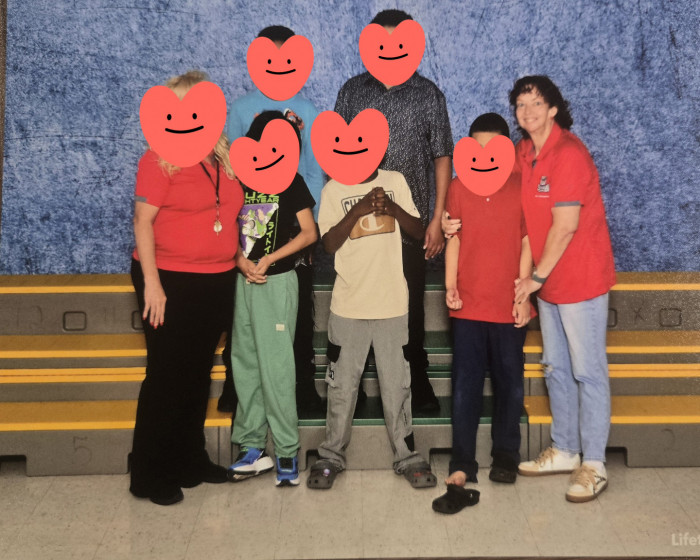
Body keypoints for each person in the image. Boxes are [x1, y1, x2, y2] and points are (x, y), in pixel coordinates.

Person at [130, 70, 244, 506]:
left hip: (217, 279)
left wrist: (238, 258)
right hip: (169, 279)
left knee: (198, 374)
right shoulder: (158, 159)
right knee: (167, 375)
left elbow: (225, 218)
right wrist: (153, 286)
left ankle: (189, 460)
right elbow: (142, 222)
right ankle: (149, 474)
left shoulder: (223, 158)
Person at [334, 9, 453, 413]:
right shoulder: (352, 91)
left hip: (409, 224)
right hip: (360, 221)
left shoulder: (428, 94)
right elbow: (336, 152)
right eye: (380, 43)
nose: (389, 50)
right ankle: (354, 383)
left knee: (408, 304)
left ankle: (416, 379)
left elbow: (442, 156)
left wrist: (436, 218)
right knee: (359, 303)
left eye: (397, 43)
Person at [510, 76, 616, 503]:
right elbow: (497, 192)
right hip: (548, 282)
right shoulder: (523, 152)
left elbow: (566, 225)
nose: (528, 111)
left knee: (587, 370)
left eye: (537, 103)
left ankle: (595, 464)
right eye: (521, 104)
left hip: (581, 279)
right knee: (555, 367)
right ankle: (566, 450)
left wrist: (534, 278)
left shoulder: (569, 153)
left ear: (554, 108)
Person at [306, 166, 437, 490]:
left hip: (392, 304)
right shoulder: (333, 189)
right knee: (341, 386)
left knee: (397, 386)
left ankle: (407, 455)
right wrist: (358, 210)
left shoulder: (395, 181)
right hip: (348, 307)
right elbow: (329, 244)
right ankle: (331, 455)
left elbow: (417, 230)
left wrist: (392, 208)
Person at [219, 25, 325, 415]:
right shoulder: (241, 109)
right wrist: (232, 229)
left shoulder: (308, 111)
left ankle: (303, 386)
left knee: (298, 311)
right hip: (249, 220)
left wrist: (310, 227)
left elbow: (313, 170)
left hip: (294, 222)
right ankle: (235, 385)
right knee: (242, 310)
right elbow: (230, 168)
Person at [431, 113, 533, 515]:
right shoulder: (458, 188)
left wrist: (522, 294)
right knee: (465, 387)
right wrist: (450, 286)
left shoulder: (521, 186)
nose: (485, 157)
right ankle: (462, 464)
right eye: (478, 148)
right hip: (469, 306)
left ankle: (506, 456)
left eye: (493, 149)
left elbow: (527, 241)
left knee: (510, 384)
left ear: (508, 152)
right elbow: (453, 239)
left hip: (509, 304)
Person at [226, 111, 318, 487]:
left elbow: (309, 233)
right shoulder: (236, 179)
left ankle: (285, 449)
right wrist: (240, 261)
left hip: (277, 282)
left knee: (277, 368)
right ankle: (251, 446)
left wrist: (270, 259)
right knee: (245, 362)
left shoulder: (292, 181)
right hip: (242, 281)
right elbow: (223, 226)